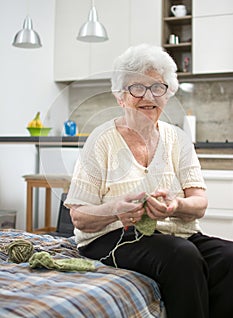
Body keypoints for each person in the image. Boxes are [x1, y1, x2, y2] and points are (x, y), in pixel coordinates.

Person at [65, 44, 233, 318]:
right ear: (120, 97)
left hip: (177, 232)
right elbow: (79, 217)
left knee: (229, 257)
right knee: (182, 256)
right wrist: (115, 209)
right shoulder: (101, 139)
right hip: (112, 237)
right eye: (137, 88)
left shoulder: (178, 139)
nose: (148, 96)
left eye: (158, 88)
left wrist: (175, 205)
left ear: (168, 95)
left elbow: (199, 203)